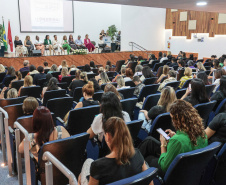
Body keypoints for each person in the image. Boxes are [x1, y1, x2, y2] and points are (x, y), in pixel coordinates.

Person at [138, 100, 208, 177]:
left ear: (178, 119)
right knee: (149, 141)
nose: (172, 121)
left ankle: (134, 168)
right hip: (189, 167)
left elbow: (164, 166)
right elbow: (188, 142)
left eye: (172, 118)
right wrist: (175, 136)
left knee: (147, 159)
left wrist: (163, 144)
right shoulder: (202, 133)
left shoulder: (177, 141)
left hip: (175, 173)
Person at [79, 117, 147, 185]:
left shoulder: (98, 165)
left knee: (87, 163)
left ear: (107, 136)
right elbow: (149, 180)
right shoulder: (138, 154)